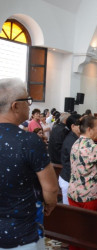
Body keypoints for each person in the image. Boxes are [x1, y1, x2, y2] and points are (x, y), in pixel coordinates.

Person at [0, 78, 58, 249]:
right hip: (21, 233)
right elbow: (51, 188)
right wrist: (50, 203)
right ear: (15, 106)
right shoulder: (28, 141)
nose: (30, 105)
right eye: (27, 100)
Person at [68, 116, 97, 211]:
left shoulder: (75, 143)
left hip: (74, 192)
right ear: (89, 129)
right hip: (89, 196)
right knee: (91, 225)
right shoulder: (94, 148)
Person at [59, 114, 81, 205]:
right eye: (81, 124)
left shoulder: (75, 138)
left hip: (70, 178)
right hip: (68, 179)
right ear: (73, 126)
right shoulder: (71, 141)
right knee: (69, 208)